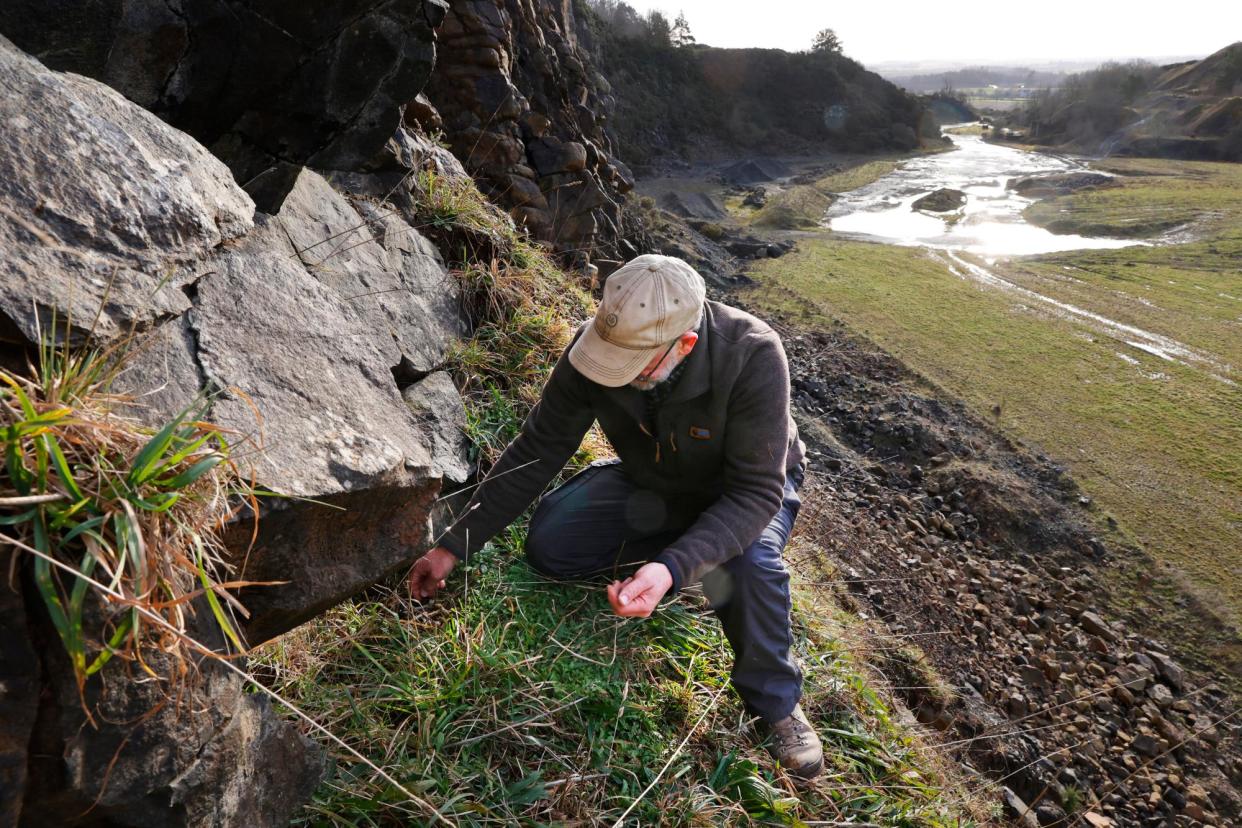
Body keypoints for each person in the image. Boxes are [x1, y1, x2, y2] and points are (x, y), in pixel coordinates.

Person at [407, 253, 823, 778]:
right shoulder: (596, 345)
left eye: (632, 367)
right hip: (654, 479)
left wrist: (670, 570)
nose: (614, 375)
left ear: (685, 344)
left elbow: (754, 494)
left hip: (746, 492)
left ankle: (778, 705)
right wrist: (453, 545)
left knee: (747, 564)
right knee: (552, 547)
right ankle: (686, 552)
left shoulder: (752, 353)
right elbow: (539, 446)